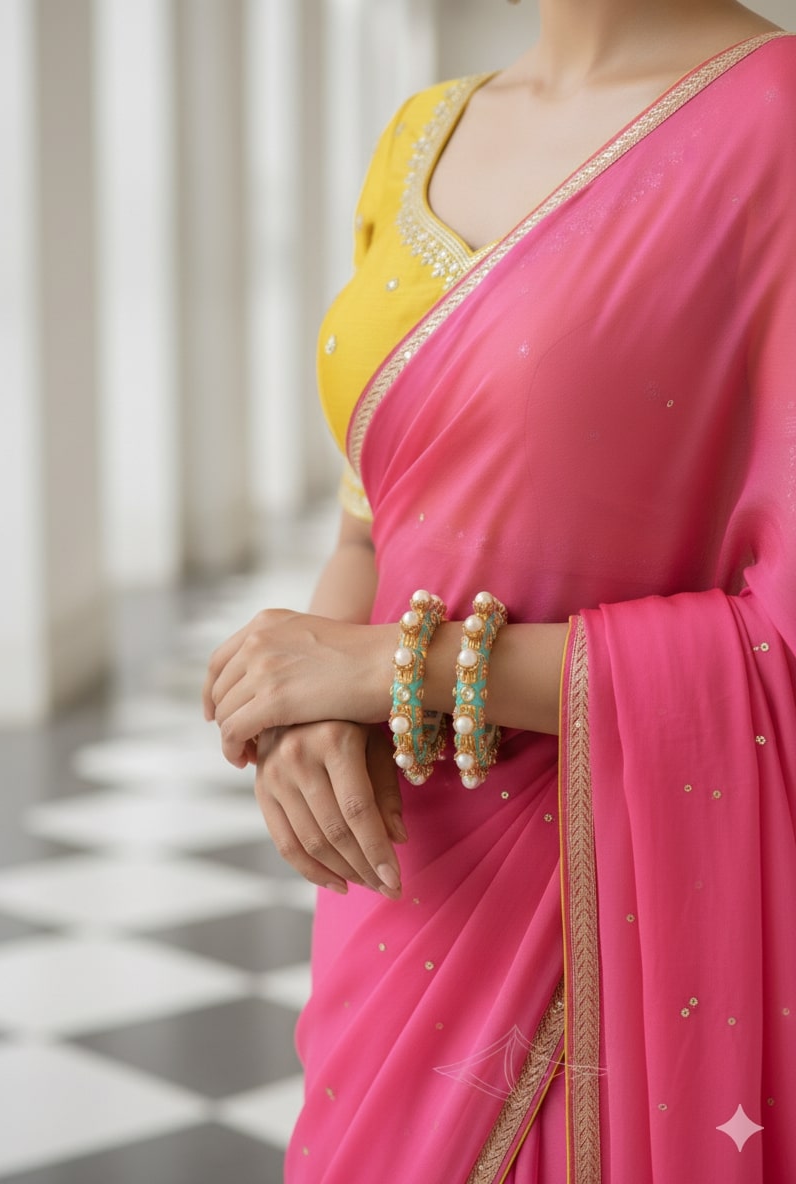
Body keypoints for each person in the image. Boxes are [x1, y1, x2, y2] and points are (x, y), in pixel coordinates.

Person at [203, 1, 796, 1179]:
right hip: (395, 880)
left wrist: (387, 667)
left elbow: (782, 644)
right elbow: (371, 524)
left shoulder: (775, 130)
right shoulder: (419, 133)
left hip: (609, 898)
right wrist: (312, 707)